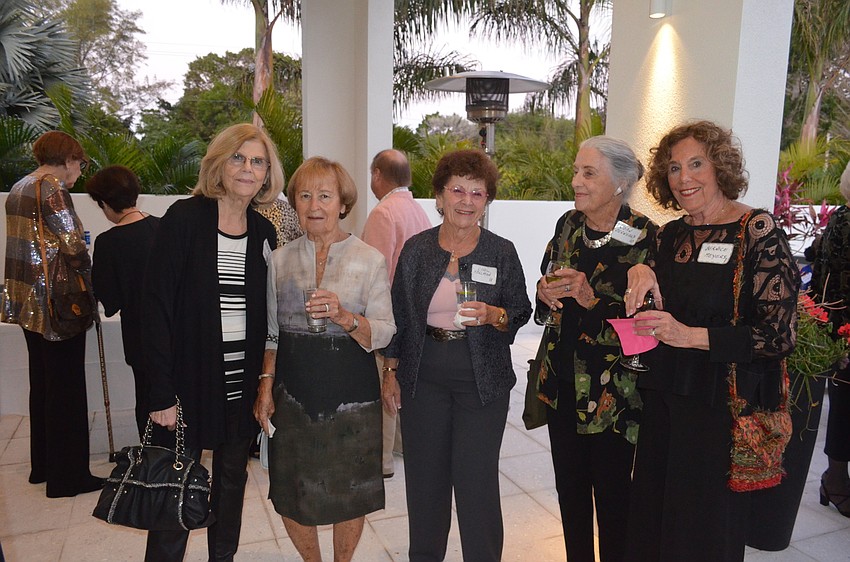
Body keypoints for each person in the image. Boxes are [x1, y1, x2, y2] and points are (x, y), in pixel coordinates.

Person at [623, 120, 799, 561]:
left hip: (722, 408)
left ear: (720, 166)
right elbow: (658, 293)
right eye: (675, 168)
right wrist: (641, 269)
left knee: (704, 533)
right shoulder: (671, 235)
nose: (685, 179)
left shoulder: (756, 231)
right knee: (655, 521)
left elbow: (777, 335)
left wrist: (691, 336)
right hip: (665, 402)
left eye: (696, 164)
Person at [381, 149, 531, 561]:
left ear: (487, 201)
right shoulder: (417, 249)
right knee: (425, 482)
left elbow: (520, 311)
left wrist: (494, 314)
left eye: (477, 193)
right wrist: (391, 370)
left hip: (480, 377)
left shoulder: (501, 251)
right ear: (440, 196)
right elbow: (399, 314)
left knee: (475, 481)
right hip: (422, 373)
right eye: (458, 190)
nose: (466, 200)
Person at [143, 123, 282, 562]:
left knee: (230, 484)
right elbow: (155, 311)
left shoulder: (263, 232)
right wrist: (160, 391)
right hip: (188, 380)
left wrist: (265, 382)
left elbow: (266, 317)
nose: (248, 168)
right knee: (177, 485)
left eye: (257, 161)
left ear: (267, 173)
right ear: (218, 164)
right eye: (238, 158)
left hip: (239, 384)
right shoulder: (184, 219)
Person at [254, 156, 396, 562]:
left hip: (351, 393)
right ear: (294, 203)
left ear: (342, 203)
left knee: (350, 490)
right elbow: (271, 333)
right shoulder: (279, 261)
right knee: (292, 489)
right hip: (293, 392)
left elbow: (384, 331)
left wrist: (345, 317)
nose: (314, 205)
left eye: (325, 196)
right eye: (304, 195)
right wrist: (265, 386)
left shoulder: (368, 259)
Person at [535, 136, 656, 562]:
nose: (576, 181)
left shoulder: (645, 238)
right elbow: (548, 273)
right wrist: (544, 293)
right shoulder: (568, 224)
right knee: (569, 494)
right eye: (575, 171)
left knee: (613, 500)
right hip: (561, 384)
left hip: (613, 396)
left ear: (621, 183)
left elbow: (645, 328)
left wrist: (590, 300)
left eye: (589, 173)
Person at [1, 130, 103, 498]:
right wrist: (88, 272)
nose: (79, 172)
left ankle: (42, 467)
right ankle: (68, 477)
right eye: (80, 163)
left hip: (25, 300)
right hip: (57, 303)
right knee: (67, 390)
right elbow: (73, 243)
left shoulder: (19, 186)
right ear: (69, 158)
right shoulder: (51, 187)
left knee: (43, 385)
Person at [361, 148, 431, 478]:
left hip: (389, 312)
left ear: (377, 174)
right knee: (403, 378)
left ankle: (381, 460)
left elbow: (375, 272)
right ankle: (404, 444)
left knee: (381, 381)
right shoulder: (419, 210)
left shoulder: (383, 213)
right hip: (420, 311)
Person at [85, 165, 160, 440]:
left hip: (139, 335)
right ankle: (181, 460)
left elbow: (110, 300)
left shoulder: (107, 243)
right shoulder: (163, 228)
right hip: (176, 332)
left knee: (147, 397)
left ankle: (152, 463)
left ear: (105, 203)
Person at [812, 160, 850, 517]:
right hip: (844, 331)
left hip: (837, 327)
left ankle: (836, 479)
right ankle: (835, 480)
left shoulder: (839, 216)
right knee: (844, 409)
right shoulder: (846, 221)